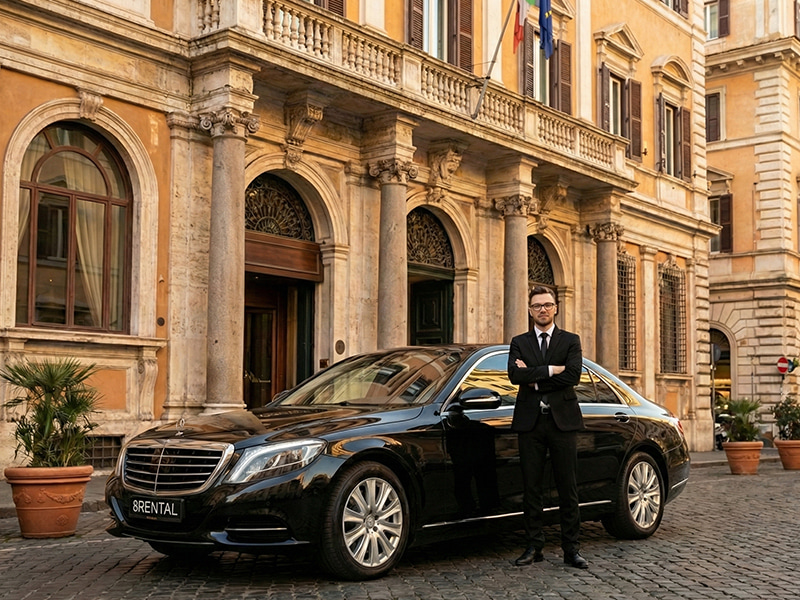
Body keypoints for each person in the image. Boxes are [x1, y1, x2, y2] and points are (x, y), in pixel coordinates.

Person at [507, 285, 588, 569]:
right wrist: (555, 369)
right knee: (532, 488)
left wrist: (537, 378)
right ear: (530, 310)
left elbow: (574, 375)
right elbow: (515, 375)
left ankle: (571, 549)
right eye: (537, 305)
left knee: (568, 488)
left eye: (547, 305)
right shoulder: (519, 341)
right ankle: (533, 546)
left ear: (555, 308)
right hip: (530, 423)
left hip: (562, 422)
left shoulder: (570, 341)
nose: (543, 309)